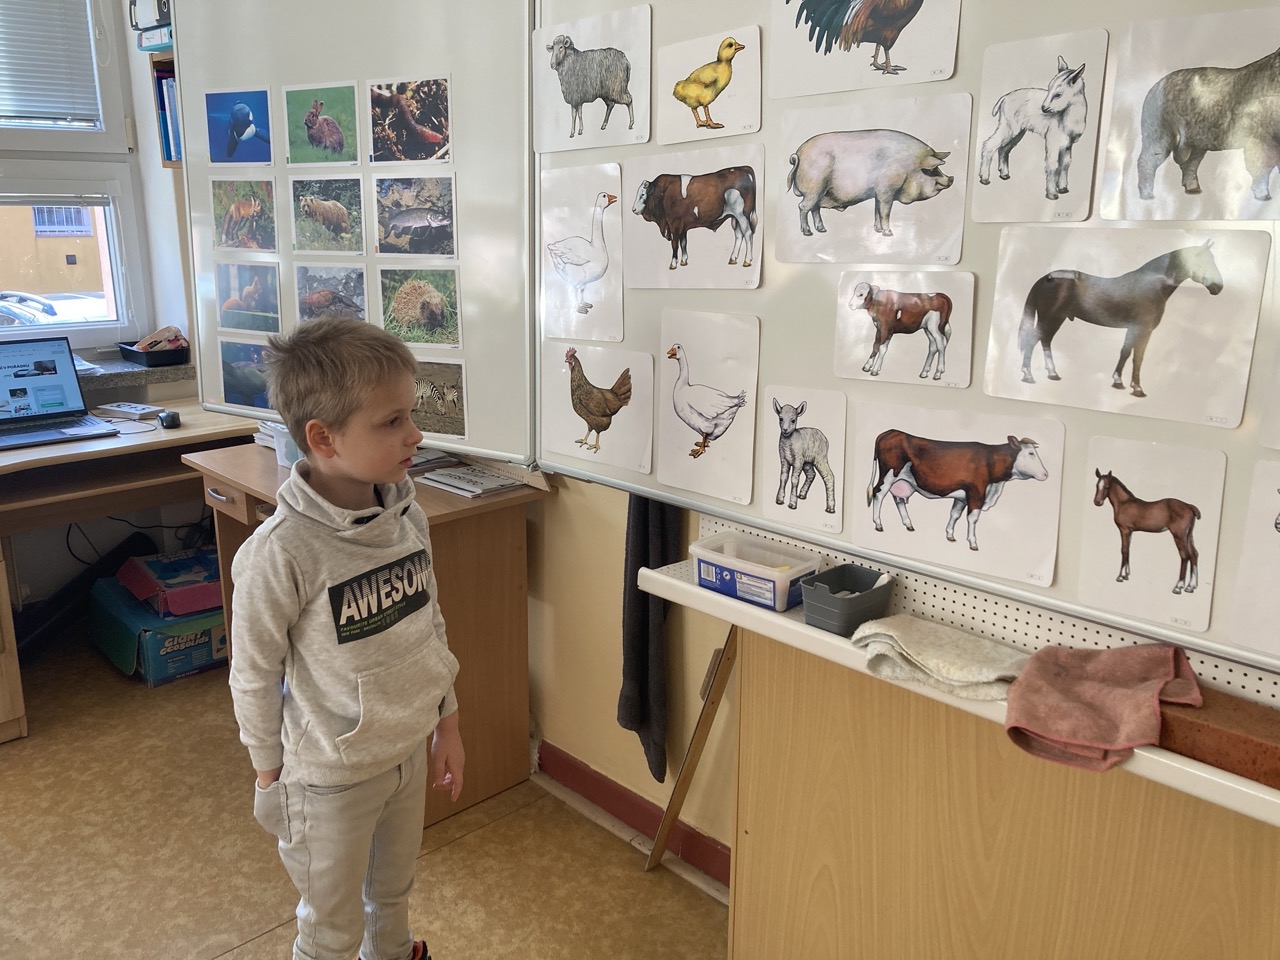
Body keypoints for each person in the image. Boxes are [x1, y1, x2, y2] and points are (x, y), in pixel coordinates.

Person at [228, 315, 464, 960]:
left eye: (411, 414)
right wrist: (269, 772)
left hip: (405, 753)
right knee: (330, 930)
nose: (416, 434)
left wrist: (447, 724)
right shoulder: (280, 552)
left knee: (391, 895)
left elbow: (429, 626)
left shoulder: (407, 516)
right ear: (323, 438)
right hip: (327, 779)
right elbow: (253, 672)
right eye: (392, 421)